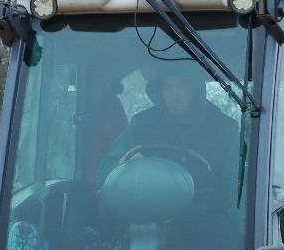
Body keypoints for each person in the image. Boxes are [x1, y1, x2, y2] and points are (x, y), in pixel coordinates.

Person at [96, 62, 241, 191]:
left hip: (207, 216)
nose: (174, 95)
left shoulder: (224, 129)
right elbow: (104, 173)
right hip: (151, 216)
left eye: (181, 86)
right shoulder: (142, 124)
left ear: (196, 90)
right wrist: (125, 168)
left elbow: (235, 189)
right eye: (167, 87)